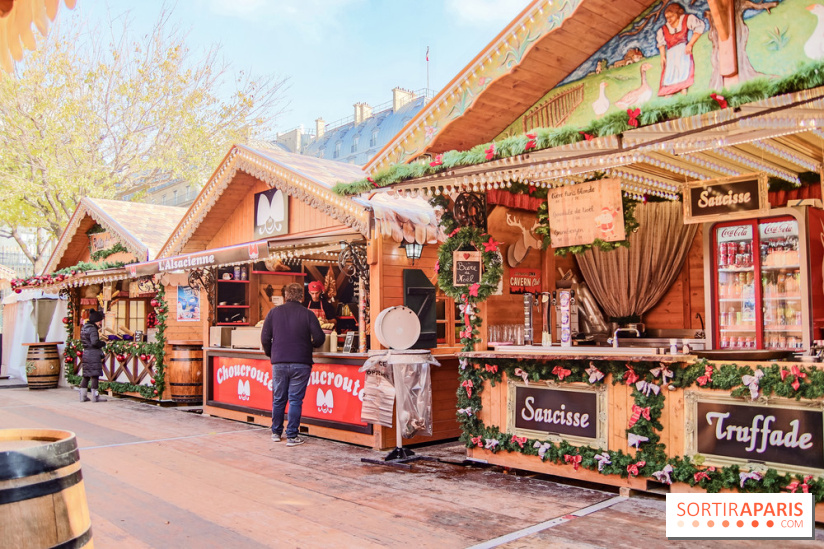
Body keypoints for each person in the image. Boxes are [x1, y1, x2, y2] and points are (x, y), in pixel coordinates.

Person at [261, 282, 325, 447]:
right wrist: (308, 345)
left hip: (279, 362)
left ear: (285, 296)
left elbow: (265, 338)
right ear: (302, 297)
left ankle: (276, 433)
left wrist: (272, 353)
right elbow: (319, 338)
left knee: (278, 399)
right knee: (295, 400)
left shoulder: (273, 313)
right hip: (301, 362)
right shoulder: (308, 314)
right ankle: (292, 436)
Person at [656, 3, 705, 97]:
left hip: (683, 53)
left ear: (678, 14)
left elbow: (699, 28)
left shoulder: (687, 19)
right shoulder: (663, 29)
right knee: (669, 78)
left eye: (671, 16)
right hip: (671, 56)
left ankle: (684, 95)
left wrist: (690, 44)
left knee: (683, 75)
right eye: (667, 17)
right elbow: (661, 44)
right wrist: (662, 56)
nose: (669, 20)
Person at [79, 309, 107, 402]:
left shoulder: (84, 327)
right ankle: (95, 397)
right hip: (93, 354)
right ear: (96, 321)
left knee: (86, 376)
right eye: (100, 321)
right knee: (95, 375)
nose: (100, 323)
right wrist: (103, 343)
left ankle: (82, 396)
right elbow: (95, 342)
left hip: (86, 353)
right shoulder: (93, 329)